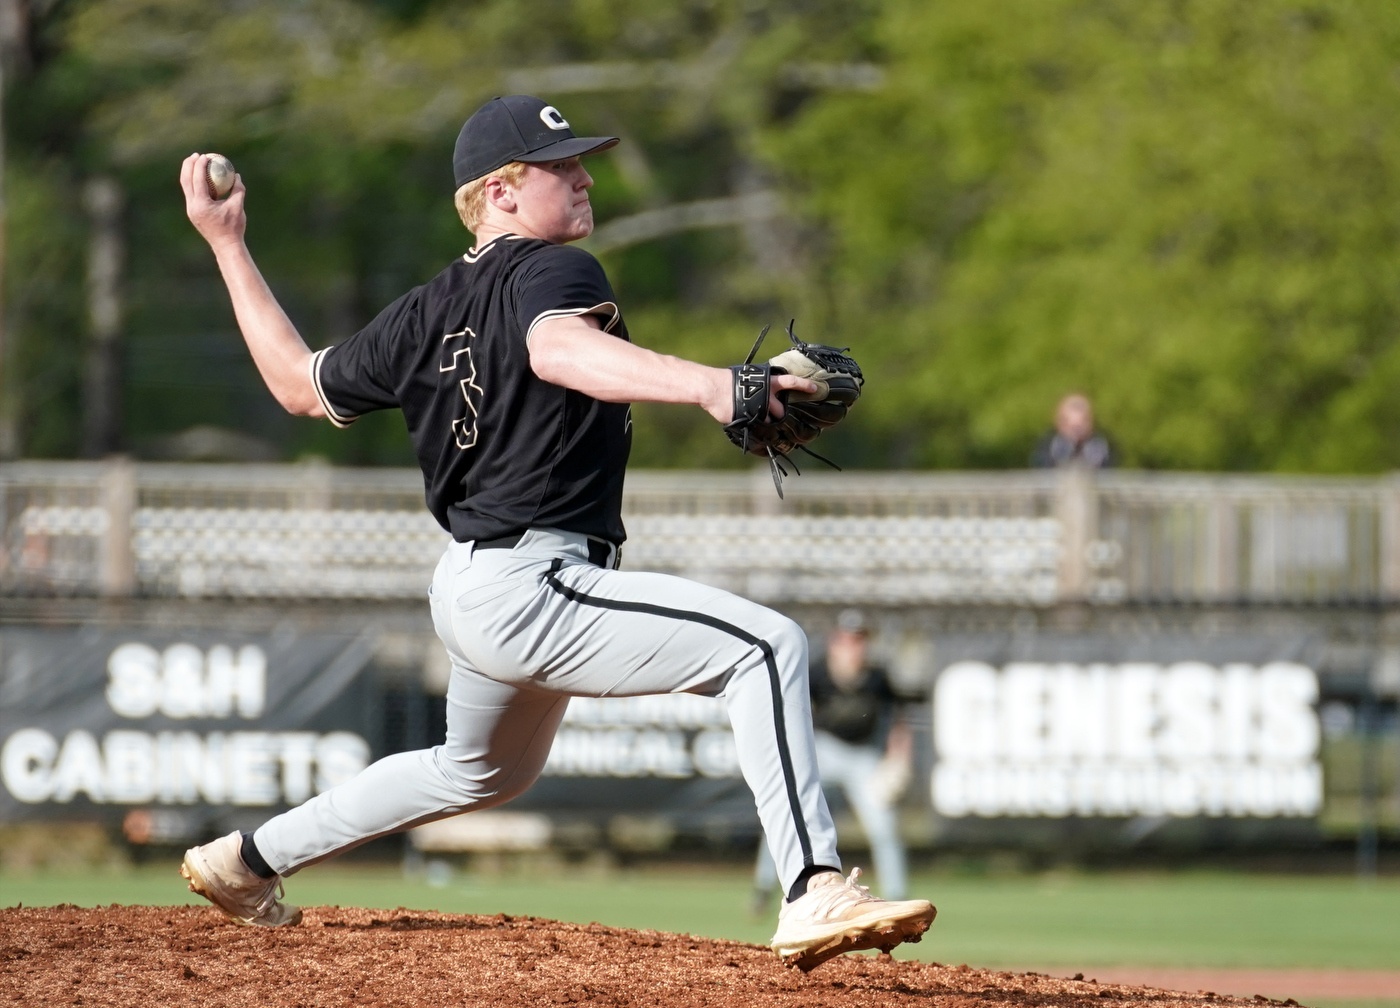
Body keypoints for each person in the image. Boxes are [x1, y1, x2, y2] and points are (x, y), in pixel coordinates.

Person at [174, 94, 933, 970]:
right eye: (560, 165)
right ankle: (811, 888)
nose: (584, 176)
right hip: (533, 582)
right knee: (765, 648)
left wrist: (228, 244)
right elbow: (556, 352)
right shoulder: (553, 271)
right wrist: (713, 386)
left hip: (470, 586)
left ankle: (245, 861)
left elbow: (298, 385)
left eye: (580, 160)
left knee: (479, 771)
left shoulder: (423, 310)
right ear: (499, 192)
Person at [751, 608, 913, 915]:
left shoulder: (878, 677)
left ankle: (896, 897)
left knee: (884, 827)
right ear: (835, 641)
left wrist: (899, 758)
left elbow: (898, 721)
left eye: (859, 640)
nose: (854, 647)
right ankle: (763, 887)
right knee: (788, 815)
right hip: (822, 752)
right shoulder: (818, 671)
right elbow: (792, 713)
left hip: (863, 757)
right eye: (848, 640)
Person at [1030, 393, 1113, 468]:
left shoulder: (1105, 448)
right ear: (1059, 423)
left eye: (1081, 424)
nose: (1077, 432)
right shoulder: (1046, 449)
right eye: (1071, 427)